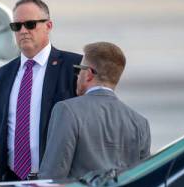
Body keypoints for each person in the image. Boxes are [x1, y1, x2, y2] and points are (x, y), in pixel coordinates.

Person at [0, 0, 81, 181]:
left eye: (30, 24)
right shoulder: (2, 75)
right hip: (11, 180)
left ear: (48, 26)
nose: (23, 31)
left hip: (59, 181)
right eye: (17, 26)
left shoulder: (74, 66)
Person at [40, 42, 151, 179]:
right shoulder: (140, 123)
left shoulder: (67, 110)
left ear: (88, 74)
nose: (77, 75)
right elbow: (143, 177)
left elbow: (52, 176)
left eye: (78, 70)